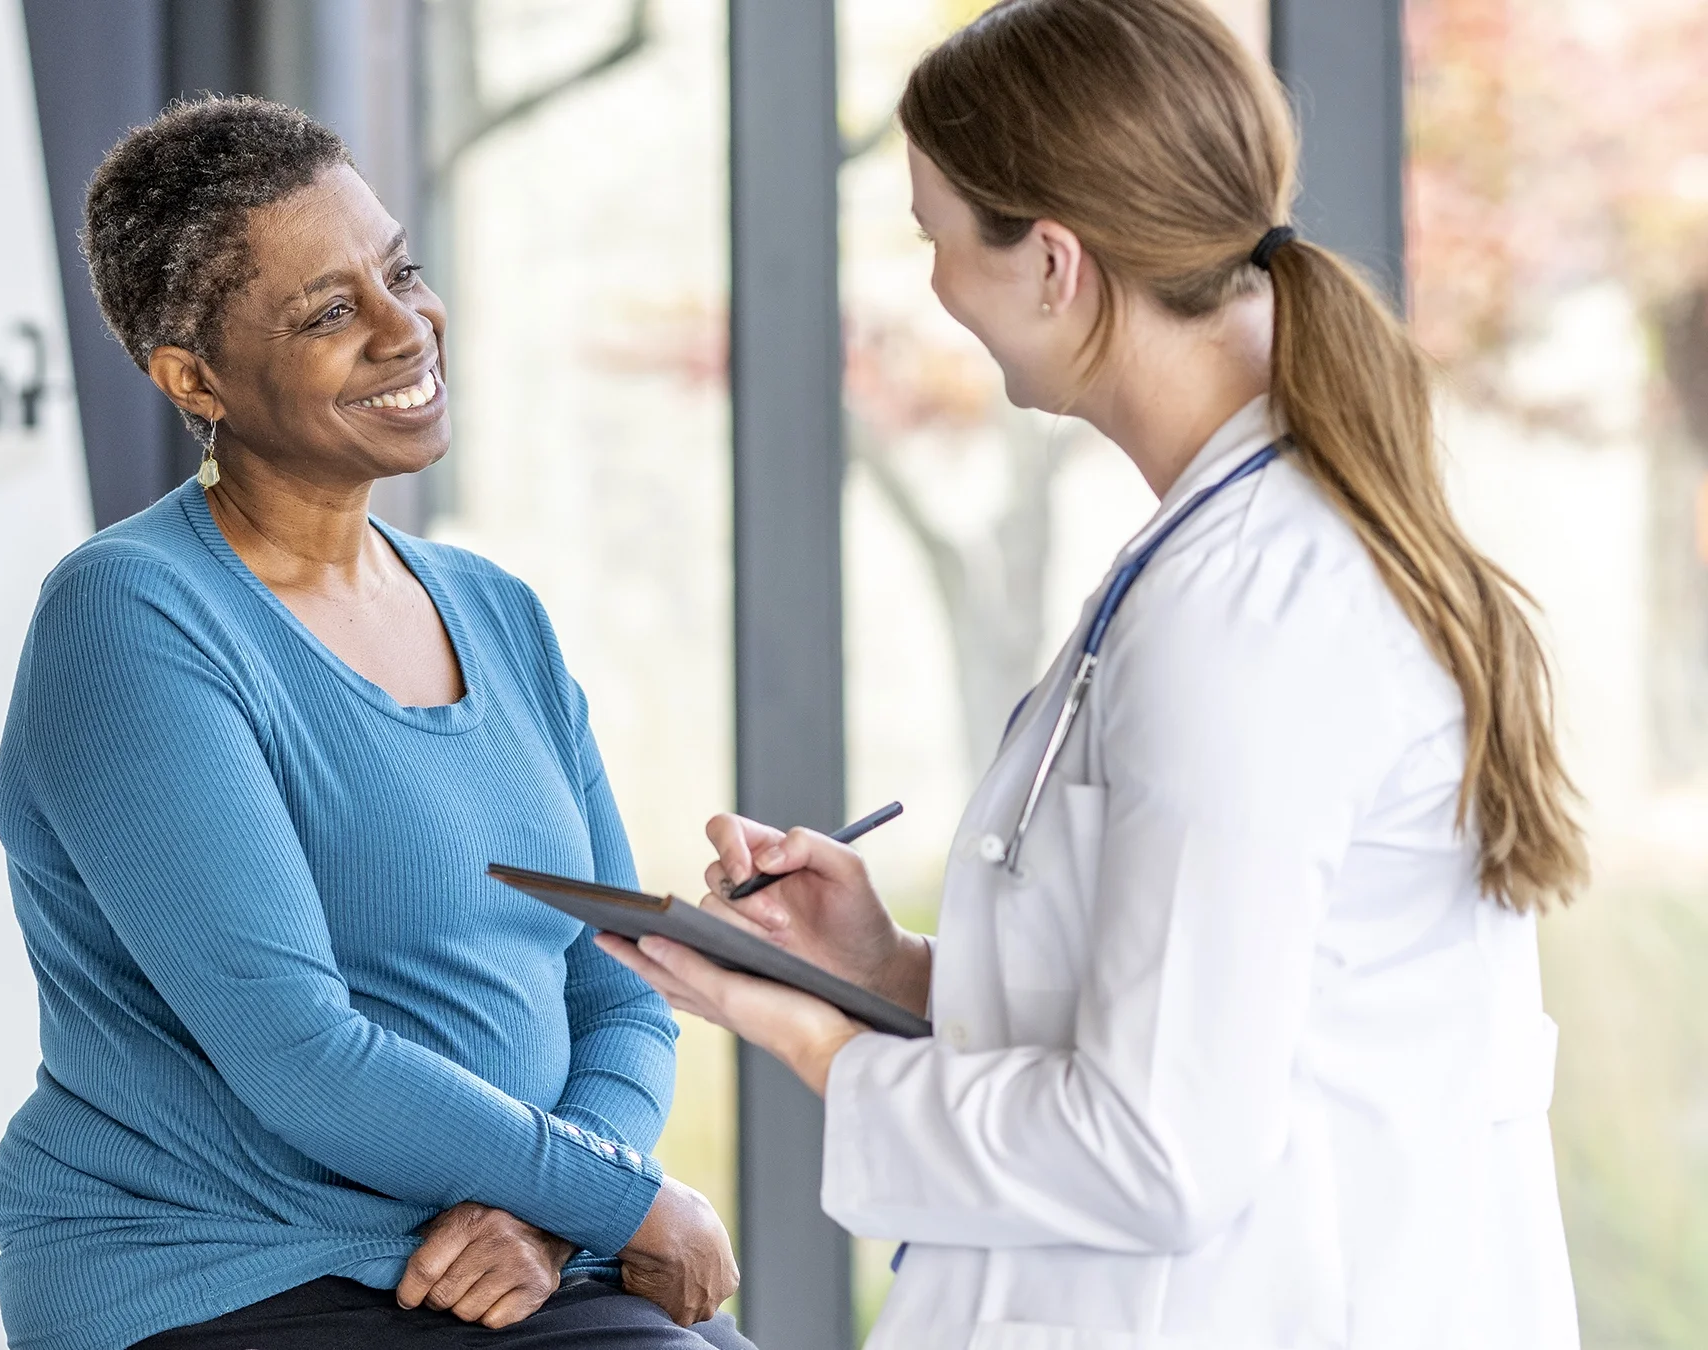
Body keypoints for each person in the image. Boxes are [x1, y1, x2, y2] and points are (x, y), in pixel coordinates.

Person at [601, 2, 1587, 1346]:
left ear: (1053, 262)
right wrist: (886, 969)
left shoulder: (1247, 612)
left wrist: (815, 1043)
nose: (937, 287)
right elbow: (1213, 1004)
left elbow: (1158, 1145)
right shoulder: (1223, 557)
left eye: (935, 237)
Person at [0, 96, 747, 1350]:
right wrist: (629, 1199)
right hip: (237, 1275)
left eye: (400, 273)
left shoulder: (497, 612)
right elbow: (299, 1056)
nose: (408, 329)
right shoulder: (132, 619)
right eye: (331, 311)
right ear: (193, 379)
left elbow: (618, 987)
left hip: (506, 1258)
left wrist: (556, 1214)